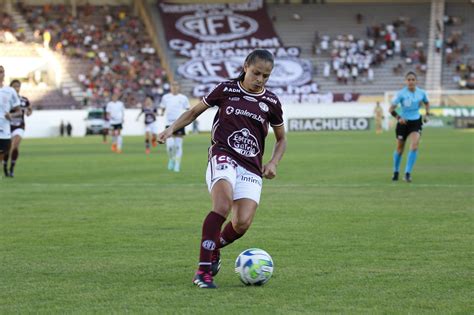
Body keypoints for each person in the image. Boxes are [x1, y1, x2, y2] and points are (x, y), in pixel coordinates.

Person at [157, 49, 287, 289]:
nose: (260, 79)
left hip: (251, 166)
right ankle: (203, 272)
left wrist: (273, 162)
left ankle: (213, 246)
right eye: (256, 73)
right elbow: (194, 111)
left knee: (242, 223)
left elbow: (281, 139)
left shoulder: (271, 102)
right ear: (246, 66)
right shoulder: (226, 89)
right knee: (223, 205)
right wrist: (171, 128)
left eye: (266, 76)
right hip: (223, 155)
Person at [389, 71, 430, 182]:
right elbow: (391, 109)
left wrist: (427, 115)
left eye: (413, 79)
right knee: (399, 149)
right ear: (405, 81)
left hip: (416, 122)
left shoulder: (421, 93)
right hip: (403, 123)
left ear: (416, 81)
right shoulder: (401, 94)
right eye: (409, 79)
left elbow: (427, 103)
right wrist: (399, 118)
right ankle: (396, 171)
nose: (411, 81)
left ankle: (407, 173)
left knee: (415, 145)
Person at [3, 79, 32, 177]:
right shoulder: (6, 100)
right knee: (7, 149)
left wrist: (29, 112)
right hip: (7, 127)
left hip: (19, 126)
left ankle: (11, 168)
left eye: (18, 86)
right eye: (14, 86)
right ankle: (5, 165)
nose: (16, 88)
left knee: (15, 146)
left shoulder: (24, 100)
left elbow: (29, 109)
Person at [159, 82, 190, 172]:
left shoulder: (183, 98)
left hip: (179, 123)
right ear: (170, 87)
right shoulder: (165, 97)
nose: (174, 87)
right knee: (170, 146)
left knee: (178, 145)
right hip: (168, 123)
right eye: (173, 85)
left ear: (178, 87)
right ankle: (171, 159)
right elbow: (163, 107)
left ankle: (177, 164)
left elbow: (188, 109)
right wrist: (161, 112)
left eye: (176, 85)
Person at [0, 66, 21, 179]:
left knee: (3, 153)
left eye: (2, 72)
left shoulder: (10, 91)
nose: (1, 74)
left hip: (5, 131)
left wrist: (11, 115)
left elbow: (19, 111)